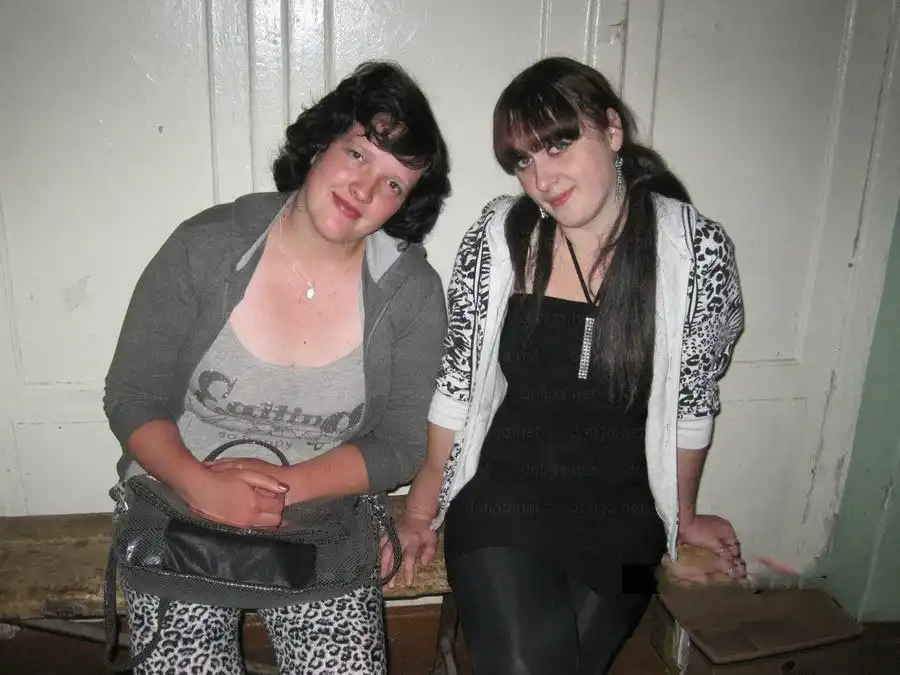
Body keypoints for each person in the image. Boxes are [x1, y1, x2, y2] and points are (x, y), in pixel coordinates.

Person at [386, 56, 746, 674]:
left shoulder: (694, 251)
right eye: (523, 160)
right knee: (528, 664)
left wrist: (682, 519)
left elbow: (693, 403)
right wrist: (423, 505)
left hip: (627, 520)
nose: (542, 176)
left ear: (612, 130)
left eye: (557, 144)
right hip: (503, 498)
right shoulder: (501, 237)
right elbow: (457, 380)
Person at [103, 60, 450, 674]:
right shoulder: (205, 246)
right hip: (181, 503)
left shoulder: (411, 292)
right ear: (321, 144)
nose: (365, 190)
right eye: (358, 154)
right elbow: (133, 395)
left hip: (323, 518)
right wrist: (202, 483)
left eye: (395, 184)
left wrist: (282, 487)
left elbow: (400, 446)